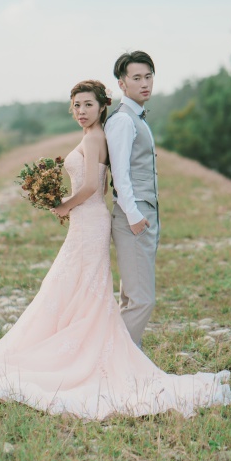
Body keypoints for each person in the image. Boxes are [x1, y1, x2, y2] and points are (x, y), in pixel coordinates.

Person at [0, 79, 231, 419]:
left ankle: (82, 356)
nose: (80, 111)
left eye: (87, 105)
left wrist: (64, 205)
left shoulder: (94, 137)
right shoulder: (92, 135)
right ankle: (73, 346)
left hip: (89, 221)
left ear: (102, 105)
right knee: (75, 287)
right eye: (76, 106)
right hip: (87, 221)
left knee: (76, 285)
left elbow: (91, 186)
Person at [104, 51, 158, 346]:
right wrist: (135, 217)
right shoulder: (124, 121)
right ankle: (116, 365)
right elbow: (120, 175)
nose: (144, 83)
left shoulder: (136, 117)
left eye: (148, 77)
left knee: (131, 298)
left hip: (141, 216)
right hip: (132, 218)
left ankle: (124, 364)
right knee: (141, 300)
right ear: (122, 84)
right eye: (136, 78)